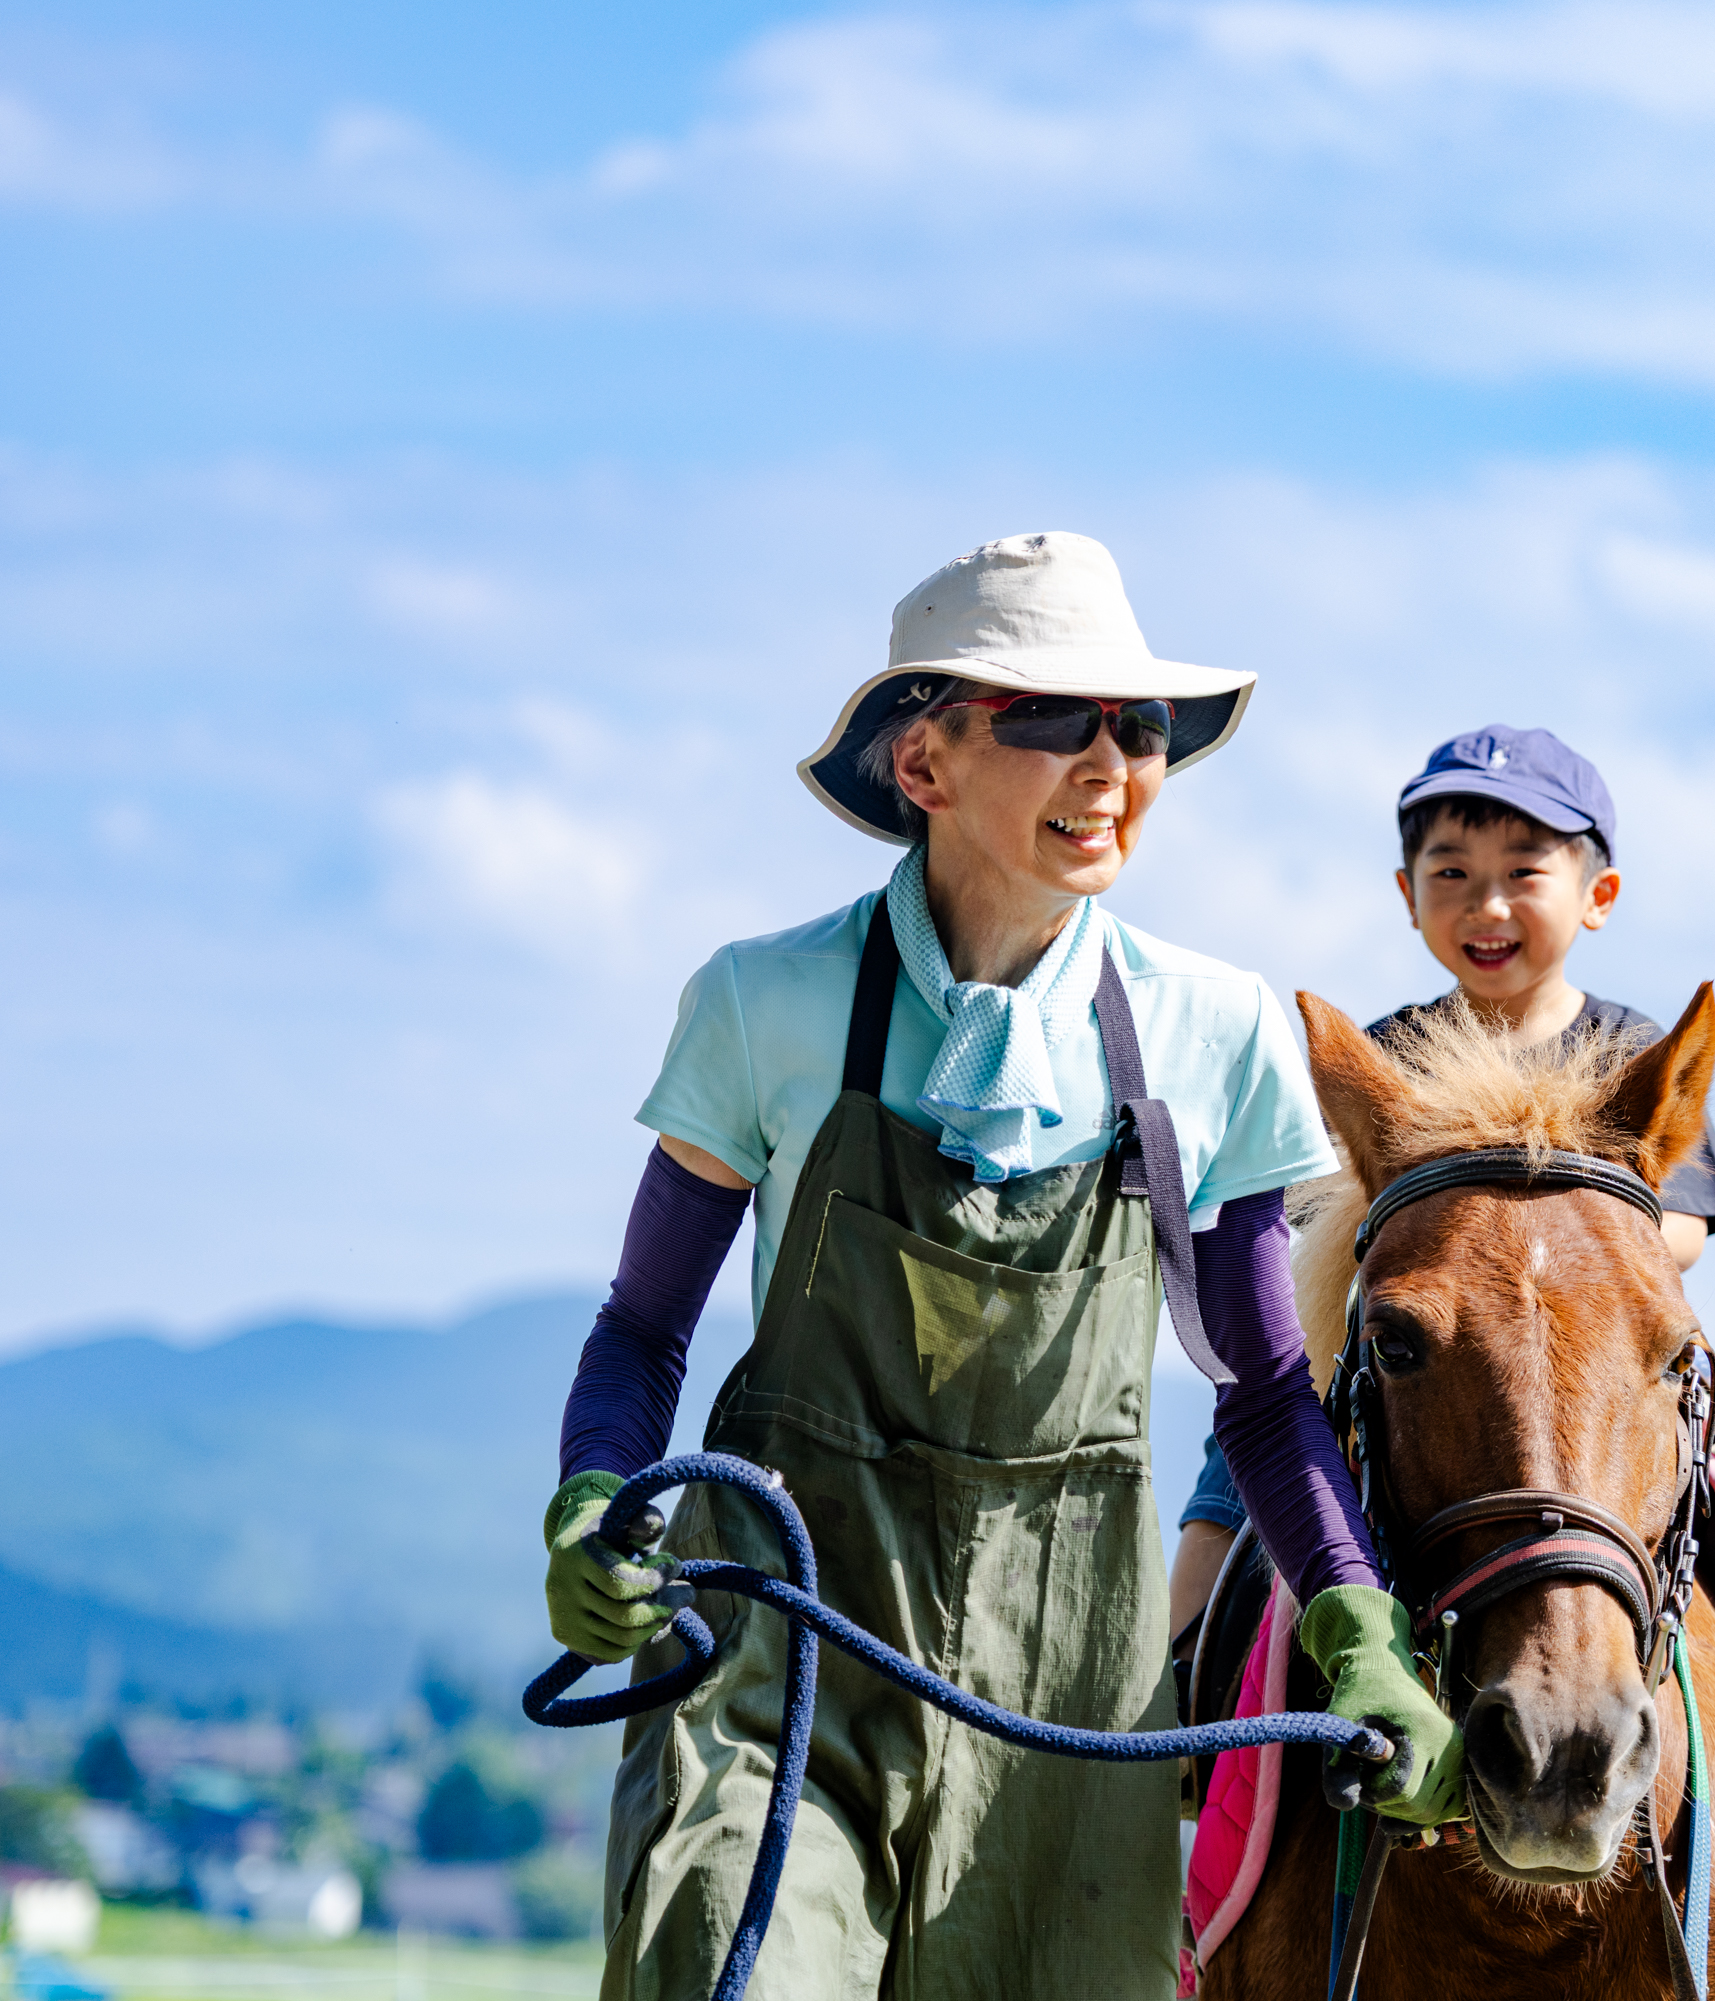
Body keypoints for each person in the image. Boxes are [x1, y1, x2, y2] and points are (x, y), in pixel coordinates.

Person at [538, 533, 1457, 1999]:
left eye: (1138, 728)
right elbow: (645, 1329)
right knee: (730, 1959)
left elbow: (1265, 1393)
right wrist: (596, 1497)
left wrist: (1359, 1626)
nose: (1110, 764)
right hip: (788, 1641)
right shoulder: (765, 1000)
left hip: (1068, 1678)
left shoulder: (1209, 1036)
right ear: (925, 765)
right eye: (1050, 720)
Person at [1166, 724, 1715, 1804]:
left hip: (1596, 1354)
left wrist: (1577, 1267)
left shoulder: (1626, 1054)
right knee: (1246, 1461)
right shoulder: (1391, 1057)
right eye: (1452, 875)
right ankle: (1184, 1684)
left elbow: (1676, 1228)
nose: (1487, 906)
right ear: (1408, 897)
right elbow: (1330, 1227)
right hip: (1431, 1359)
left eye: (1521, 874)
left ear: (1597, 895)